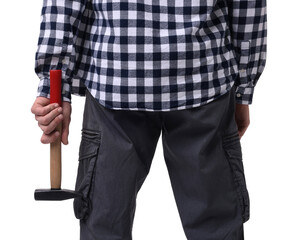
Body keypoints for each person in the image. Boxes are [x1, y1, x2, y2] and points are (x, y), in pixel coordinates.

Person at [31, 0, 267, 239]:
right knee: (217, 226)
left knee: (104, 224)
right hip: (201, 78)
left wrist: (55, 86)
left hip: (117, 77)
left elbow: (62, 5)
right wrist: (243, 89)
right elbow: (248, 6)